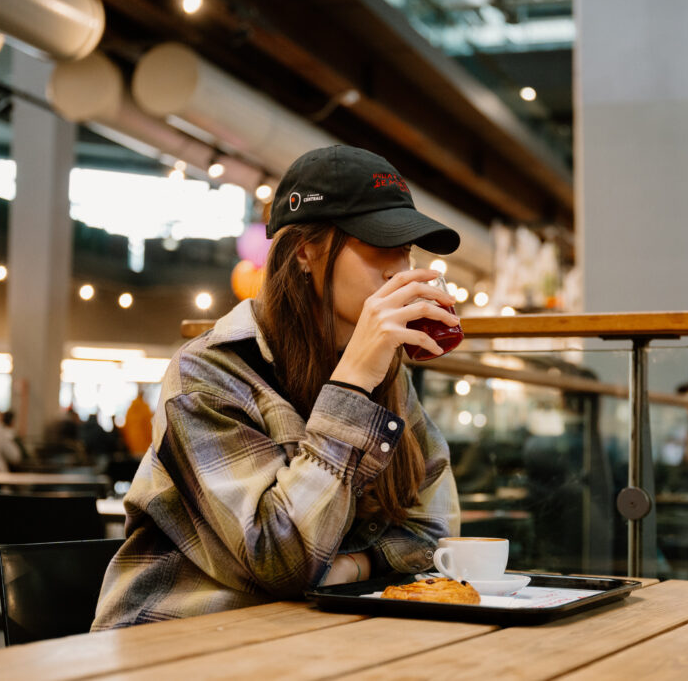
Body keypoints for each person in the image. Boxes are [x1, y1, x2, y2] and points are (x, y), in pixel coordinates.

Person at [92, 145, 463, 629]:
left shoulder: (386, 373)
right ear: (306, 252)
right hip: (176, 646)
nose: (400, 268)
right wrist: (350, 387)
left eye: (407, 247)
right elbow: (280, 556)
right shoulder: (207, 373)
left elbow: (434, 532)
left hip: (310, 638)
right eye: (379, 245)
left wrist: (352, 567)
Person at [121, 391, 154, 457]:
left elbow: (126, 427)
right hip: (144, 444)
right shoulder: (145, 407)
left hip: (132, 441)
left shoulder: (130, 409)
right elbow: (148, 426)